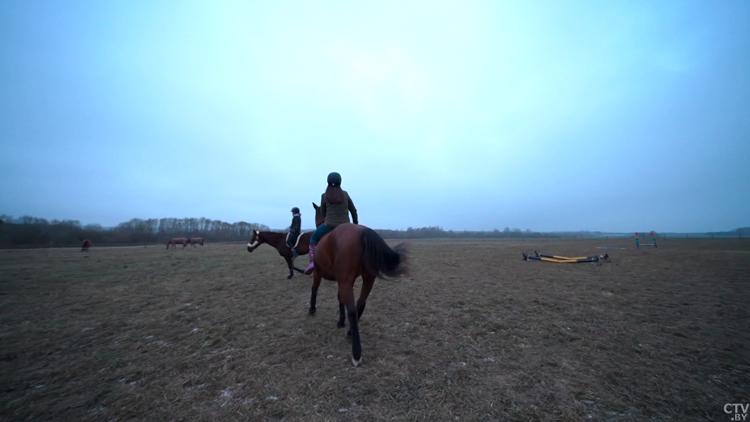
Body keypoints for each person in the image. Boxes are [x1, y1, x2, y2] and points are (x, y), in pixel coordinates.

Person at [304, 172, 358, 274]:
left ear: (328, 182)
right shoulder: (345, 194)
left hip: (329, 225)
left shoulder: (324, 196)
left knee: (314, 238)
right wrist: (355, 224)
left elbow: (323, 212)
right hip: (346, 225)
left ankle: (312, 262)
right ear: (340, 182)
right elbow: (353, 210)